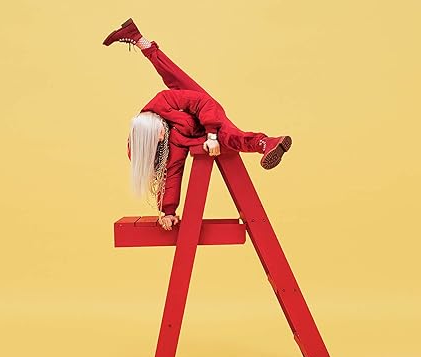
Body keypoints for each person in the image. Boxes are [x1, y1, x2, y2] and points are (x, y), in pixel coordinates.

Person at [103, 18, 292, 231]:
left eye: (158, 131)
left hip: (203, 110)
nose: (160, 136)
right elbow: (172, 172)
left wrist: (212, 135)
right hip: (193, 130)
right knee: (177, 82)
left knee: (225, 133)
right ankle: (136, 36)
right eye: (156, 138)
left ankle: (266, 143)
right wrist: (168, 211)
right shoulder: (161, 146)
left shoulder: (162, 102)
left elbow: (203, 103)